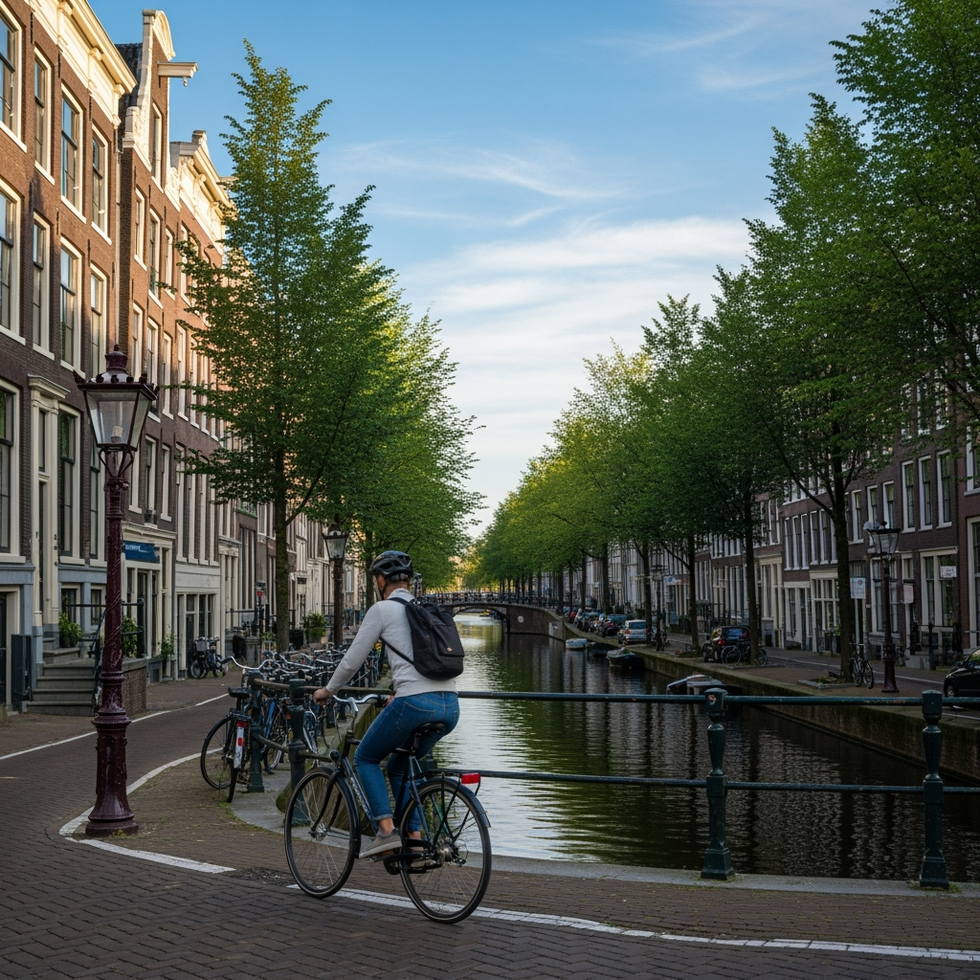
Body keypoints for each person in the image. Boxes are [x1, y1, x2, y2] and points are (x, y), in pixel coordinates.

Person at [313, 550, 459, 858]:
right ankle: (416, 836)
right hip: (450, 705)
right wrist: (399, 688)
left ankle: (386, 831)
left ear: (380, 580)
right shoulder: (425, 608)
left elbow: (354, 659)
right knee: (399, 765)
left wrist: (328, 690)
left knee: (365, 757)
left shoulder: (382, 609)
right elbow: (422, 659)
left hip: (415, 705)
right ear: (408, 579)